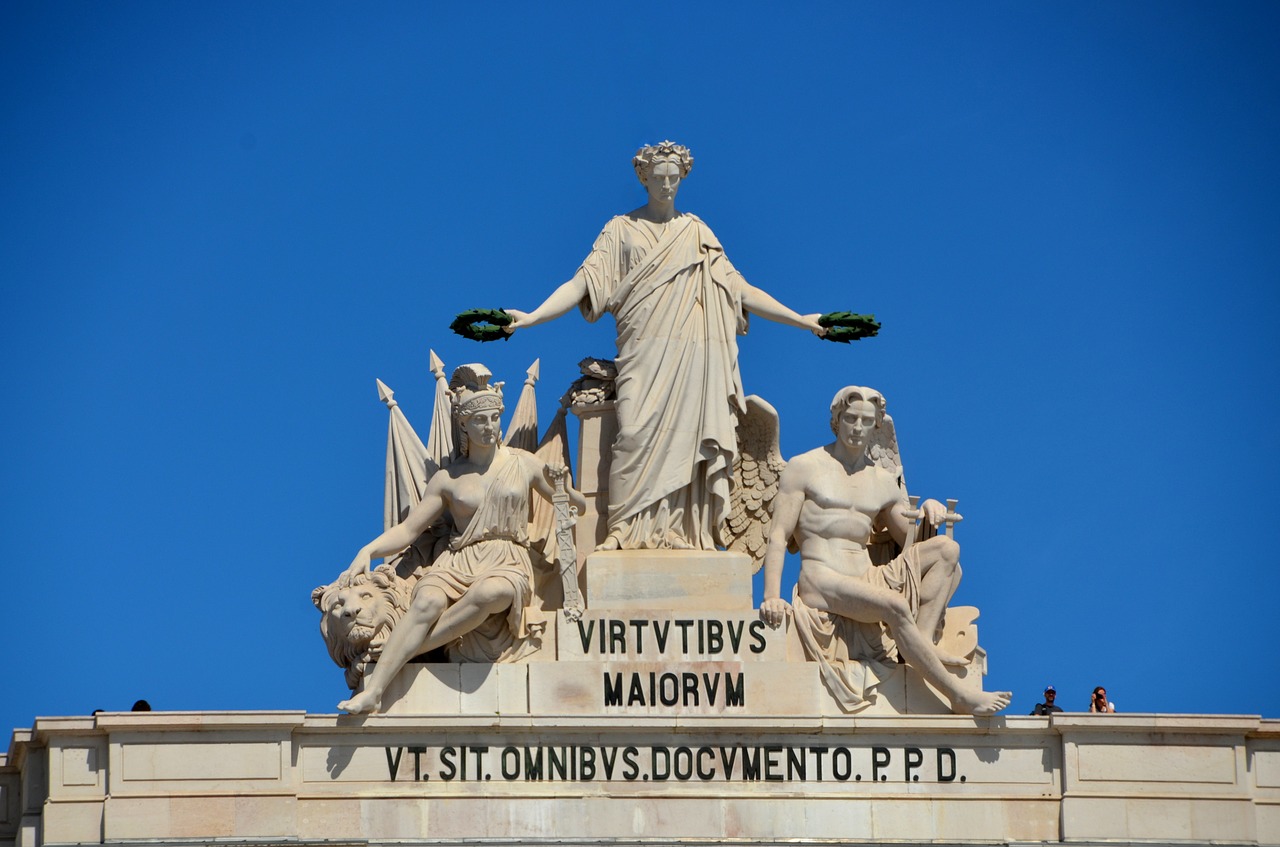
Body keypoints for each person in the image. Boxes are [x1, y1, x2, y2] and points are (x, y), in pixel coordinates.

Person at [503, 141, 824, 551]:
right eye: (659, 178)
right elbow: (582, 283)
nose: (667, 185)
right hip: (643, 351)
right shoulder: (620, 229)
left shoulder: (697, 233)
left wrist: (800, 320)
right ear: (644, 177)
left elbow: (740, 289)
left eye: (674, 177)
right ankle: (622, 529)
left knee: (692, 437)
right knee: (632, 434)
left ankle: (691, 532)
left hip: (693, 355)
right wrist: (532, 316)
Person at [334, 367, 586, 714]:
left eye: (494, 418)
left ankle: (409, 649)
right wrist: (368, 550)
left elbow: (578, 505)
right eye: (480, 420)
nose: (490, 426)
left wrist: (562, 485)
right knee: (427, 603)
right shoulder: (447, 479)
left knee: (491, 593)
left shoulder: (525, 464)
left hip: (507, 559)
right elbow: (409, 531)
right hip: (457, 561)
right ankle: (374, 690)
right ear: (463, 425)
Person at [760, 386, 1012, 716]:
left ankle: (919, 641)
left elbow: (910, 538)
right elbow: (778, 535)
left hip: (867, 577)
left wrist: (929, 512)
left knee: (948, 550)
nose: (857, 427)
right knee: (893, 604)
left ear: (877, 425)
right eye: (849, 418)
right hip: (821, 578)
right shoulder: (804, 466)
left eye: (866, 421)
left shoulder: (882, 480)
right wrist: (770, 596)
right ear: (836, 420)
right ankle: (958, 695)